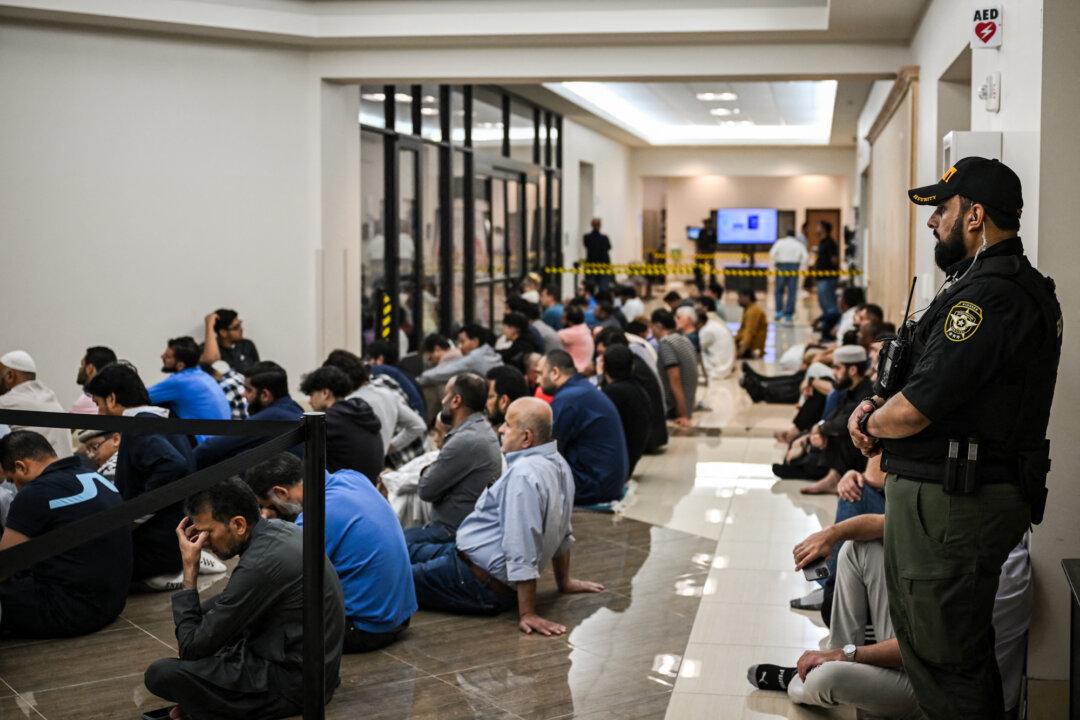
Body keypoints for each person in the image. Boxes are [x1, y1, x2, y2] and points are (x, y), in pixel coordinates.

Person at [848, 156, 1061, 720]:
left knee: (945, 656)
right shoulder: (983, 287)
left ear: (976, 215)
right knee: (935, 649)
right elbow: (926, 382)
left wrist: (868, 423)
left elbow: (916, 410)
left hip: (955, 503)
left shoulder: (989, 298)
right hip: (944, 499)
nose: (931, 222)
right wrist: (878, 407)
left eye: (941, 210)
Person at [143, 479, 345, 720]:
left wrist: (189, 571)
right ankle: (203, 705)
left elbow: (191, 649)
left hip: (297, 687)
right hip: (312, 670)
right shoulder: (278, 530)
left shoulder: (260, 563)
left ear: (238, 524)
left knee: (161, 673)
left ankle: (209, 707)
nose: (202, 543)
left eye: (207, 532)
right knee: (205, 616)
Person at [408, 397, 604, 631]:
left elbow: (522, 543)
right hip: (463, 558)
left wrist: (528, 613)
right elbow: (562, 528)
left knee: (386, 578)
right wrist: (564, 582)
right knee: (402, 549)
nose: (500, 429)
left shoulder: (524, 475)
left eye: (508, 425)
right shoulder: (558, 463)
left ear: (526, 438)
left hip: (475, 581)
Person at [245, 453, 415, 653]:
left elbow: (272, 576)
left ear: (281, 493)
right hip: (400, 616)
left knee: (260, 622)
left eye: (266, 506)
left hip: (366, 630)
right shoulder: (351, 477)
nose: (267, 513)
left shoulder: (316, 515)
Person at [85, 362, 227, 589]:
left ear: (112, 399)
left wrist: (134, 517)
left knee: (86, 566)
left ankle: (170, 573)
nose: (100, 412)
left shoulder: (139, 427)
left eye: (98, 403)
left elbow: (172, 466)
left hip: (158, 546)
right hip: (175, 538)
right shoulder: (164, 420)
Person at [0, 431, 132, 637]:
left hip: (71, 611)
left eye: (12, 479)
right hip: (113, 602)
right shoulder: (93, 475)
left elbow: (5, 564)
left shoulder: (33, 494)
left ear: (21, 466)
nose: (15, 487)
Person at [405, 373, 502, 545]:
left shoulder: (465, 439)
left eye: (446, 395)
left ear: (456, 401)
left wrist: (426, 470)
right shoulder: (480, 428)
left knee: (392, 544)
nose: (442, 401)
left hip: (452, 533)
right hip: (464, 528)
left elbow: (426, 490)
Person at [540, 350, 628, 505]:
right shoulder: (581, 389)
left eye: (541, 373)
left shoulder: (567, 399)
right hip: (608, 480)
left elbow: (547, 450)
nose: (538, 380)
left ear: (555, 372)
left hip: (594, 486)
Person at [193, 361, 303, 469]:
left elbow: (210, 448)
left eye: (248, 390)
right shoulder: (296, 408)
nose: (243, 394)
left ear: (265, 395)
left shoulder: (272, 416)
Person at [299, 365, 384, 481]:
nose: (309, 401)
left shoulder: (328, 420)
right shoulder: (359, 412)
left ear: (325, 393)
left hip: (342, 490)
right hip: (368, 487)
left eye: (311, 394)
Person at [595, 328, 667, 453]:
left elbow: (604, 400)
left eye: (602, 353)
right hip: (649, 435)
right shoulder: (632, 360)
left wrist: (600, 375)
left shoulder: (626, 367)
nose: (600, 358)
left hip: (645, 440)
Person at [148, 337, 231, 443]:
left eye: (167, 356)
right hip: (222, 439)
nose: (162, 356)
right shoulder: (202, 374)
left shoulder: (180, 381)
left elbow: (141, 397)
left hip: (204, 444)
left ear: (180, 365)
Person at [0, 350, 73, 458]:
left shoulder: (6, 401)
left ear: (10, 376)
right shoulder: (49, 396)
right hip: (67, 468)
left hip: (42, 473)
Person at [600, 345, 652, 476]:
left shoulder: (614, 392)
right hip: (632, 455)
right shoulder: (636, 386)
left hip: (619, 462)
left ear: (605, 367)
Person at [415, 324, 503, 388]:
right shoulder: (488, 352)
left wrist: (417, 380)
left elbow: (445, 372)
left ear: (475, 341)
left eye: (462, 341)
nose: (459, 346)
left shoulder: (474, 358)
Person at [650, 309, 697, 426]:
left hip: (673, 408)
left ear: (658, 326)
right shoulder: (684, 339)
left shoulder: (666, 343)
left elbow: (675, 378)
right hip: (689, 403)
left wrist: (683, 415)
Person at [364, 340, 426, 418]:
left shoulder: (383, 374)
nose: (368, 363)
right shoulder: (404, 373)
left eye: (369, 358)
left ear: (380, 359)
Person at [199, 308, 260, 374]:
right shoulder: (208, 350)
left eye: (240, 325)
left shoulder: (247, 345)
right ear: (223, 332)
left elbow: (258, 370)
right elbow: (209, 362)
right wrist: (209, 325)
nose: (241, 329)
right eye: (236, 327)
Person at [770, 228, 810, 322]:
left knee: (779, 290)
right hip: (794, 267)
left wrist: (777, 261)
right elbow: (805, 257)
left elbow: (772, 254)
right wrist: (799, 264)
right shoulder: (799, 244)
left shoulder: (780, 242)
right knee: (792, 291)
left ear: (786, 234)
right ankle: (789, 313)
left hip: (781, 266)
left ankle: (779, 311)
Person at [696, 299, 735, 379]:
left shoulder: (707, 329)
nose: (695, 307)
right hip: (726, 366)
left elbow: (696, 350)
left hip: (718, 370)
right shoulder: (714, 321)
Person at [72, 345, 117, 414]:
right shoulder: (118, 399)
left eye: (82, 365)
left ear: (90, 368)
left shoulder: (86, 401)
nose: (80, 368)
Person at [813, 221, 841, 324]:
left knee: (829, 304)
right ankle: (827, 325)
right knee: (823, 303)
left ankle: (832, 327)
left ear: (824, 228)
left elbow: (834, 260)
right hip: (821, 278)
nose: (816, 228)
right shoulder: (822, 242)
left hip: (828, 278)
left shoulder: (830, 242)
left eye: (818, 226)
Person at [557, 305, 595, 374]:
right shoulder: (584, 328)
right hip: (583, 368)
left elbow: (554, 338)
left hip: (576, 371)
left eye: (563, 318)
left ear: (570, 322)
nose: (561, 320)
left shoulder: (569, 333)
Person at [583, 218, 612, 293]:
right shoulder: (604, 238)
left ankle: (592, 302)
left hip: (591, 265)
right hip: (603, 265)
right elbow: (609, 247)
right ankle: (602, 301)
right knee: (603, 288)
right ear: (600, 226)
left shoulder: (587, 237)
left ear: (591, 225)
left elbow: (586, 246)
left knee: (590, 288)